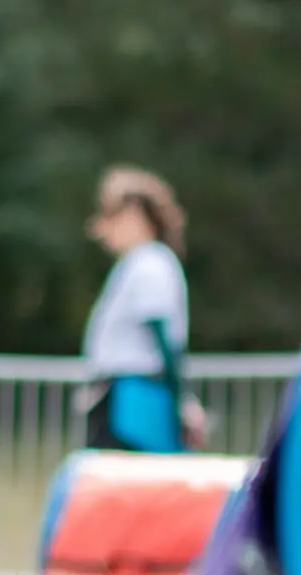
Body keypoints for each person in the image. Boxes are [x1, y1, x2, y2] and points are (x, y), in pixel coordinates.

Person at [79, 165, 208, 452]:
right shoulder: (138, 264)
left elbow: (164, 338)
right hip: (125, 398)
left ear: (135, 214)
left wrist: (181, 402)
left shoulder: (151, 263)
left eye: (113, 217)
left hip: (136, 402)